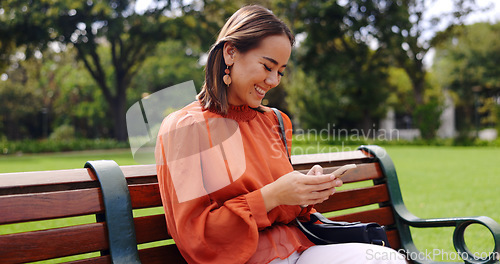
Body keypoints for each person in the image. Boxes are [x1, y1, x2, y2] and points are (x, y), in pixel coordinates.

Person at [155, 5, 407, 264]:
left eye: (281, 71)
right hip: (242, 259)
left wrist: (304, 191)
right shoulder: (186, 128)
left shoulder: (273, 121)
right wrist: (272, 195)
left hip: (299, 248)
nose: (274, 81)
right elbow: (196, 237)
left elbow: (288, 211)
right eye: (267, 66)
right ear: (230, 52)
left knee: (386, 259)